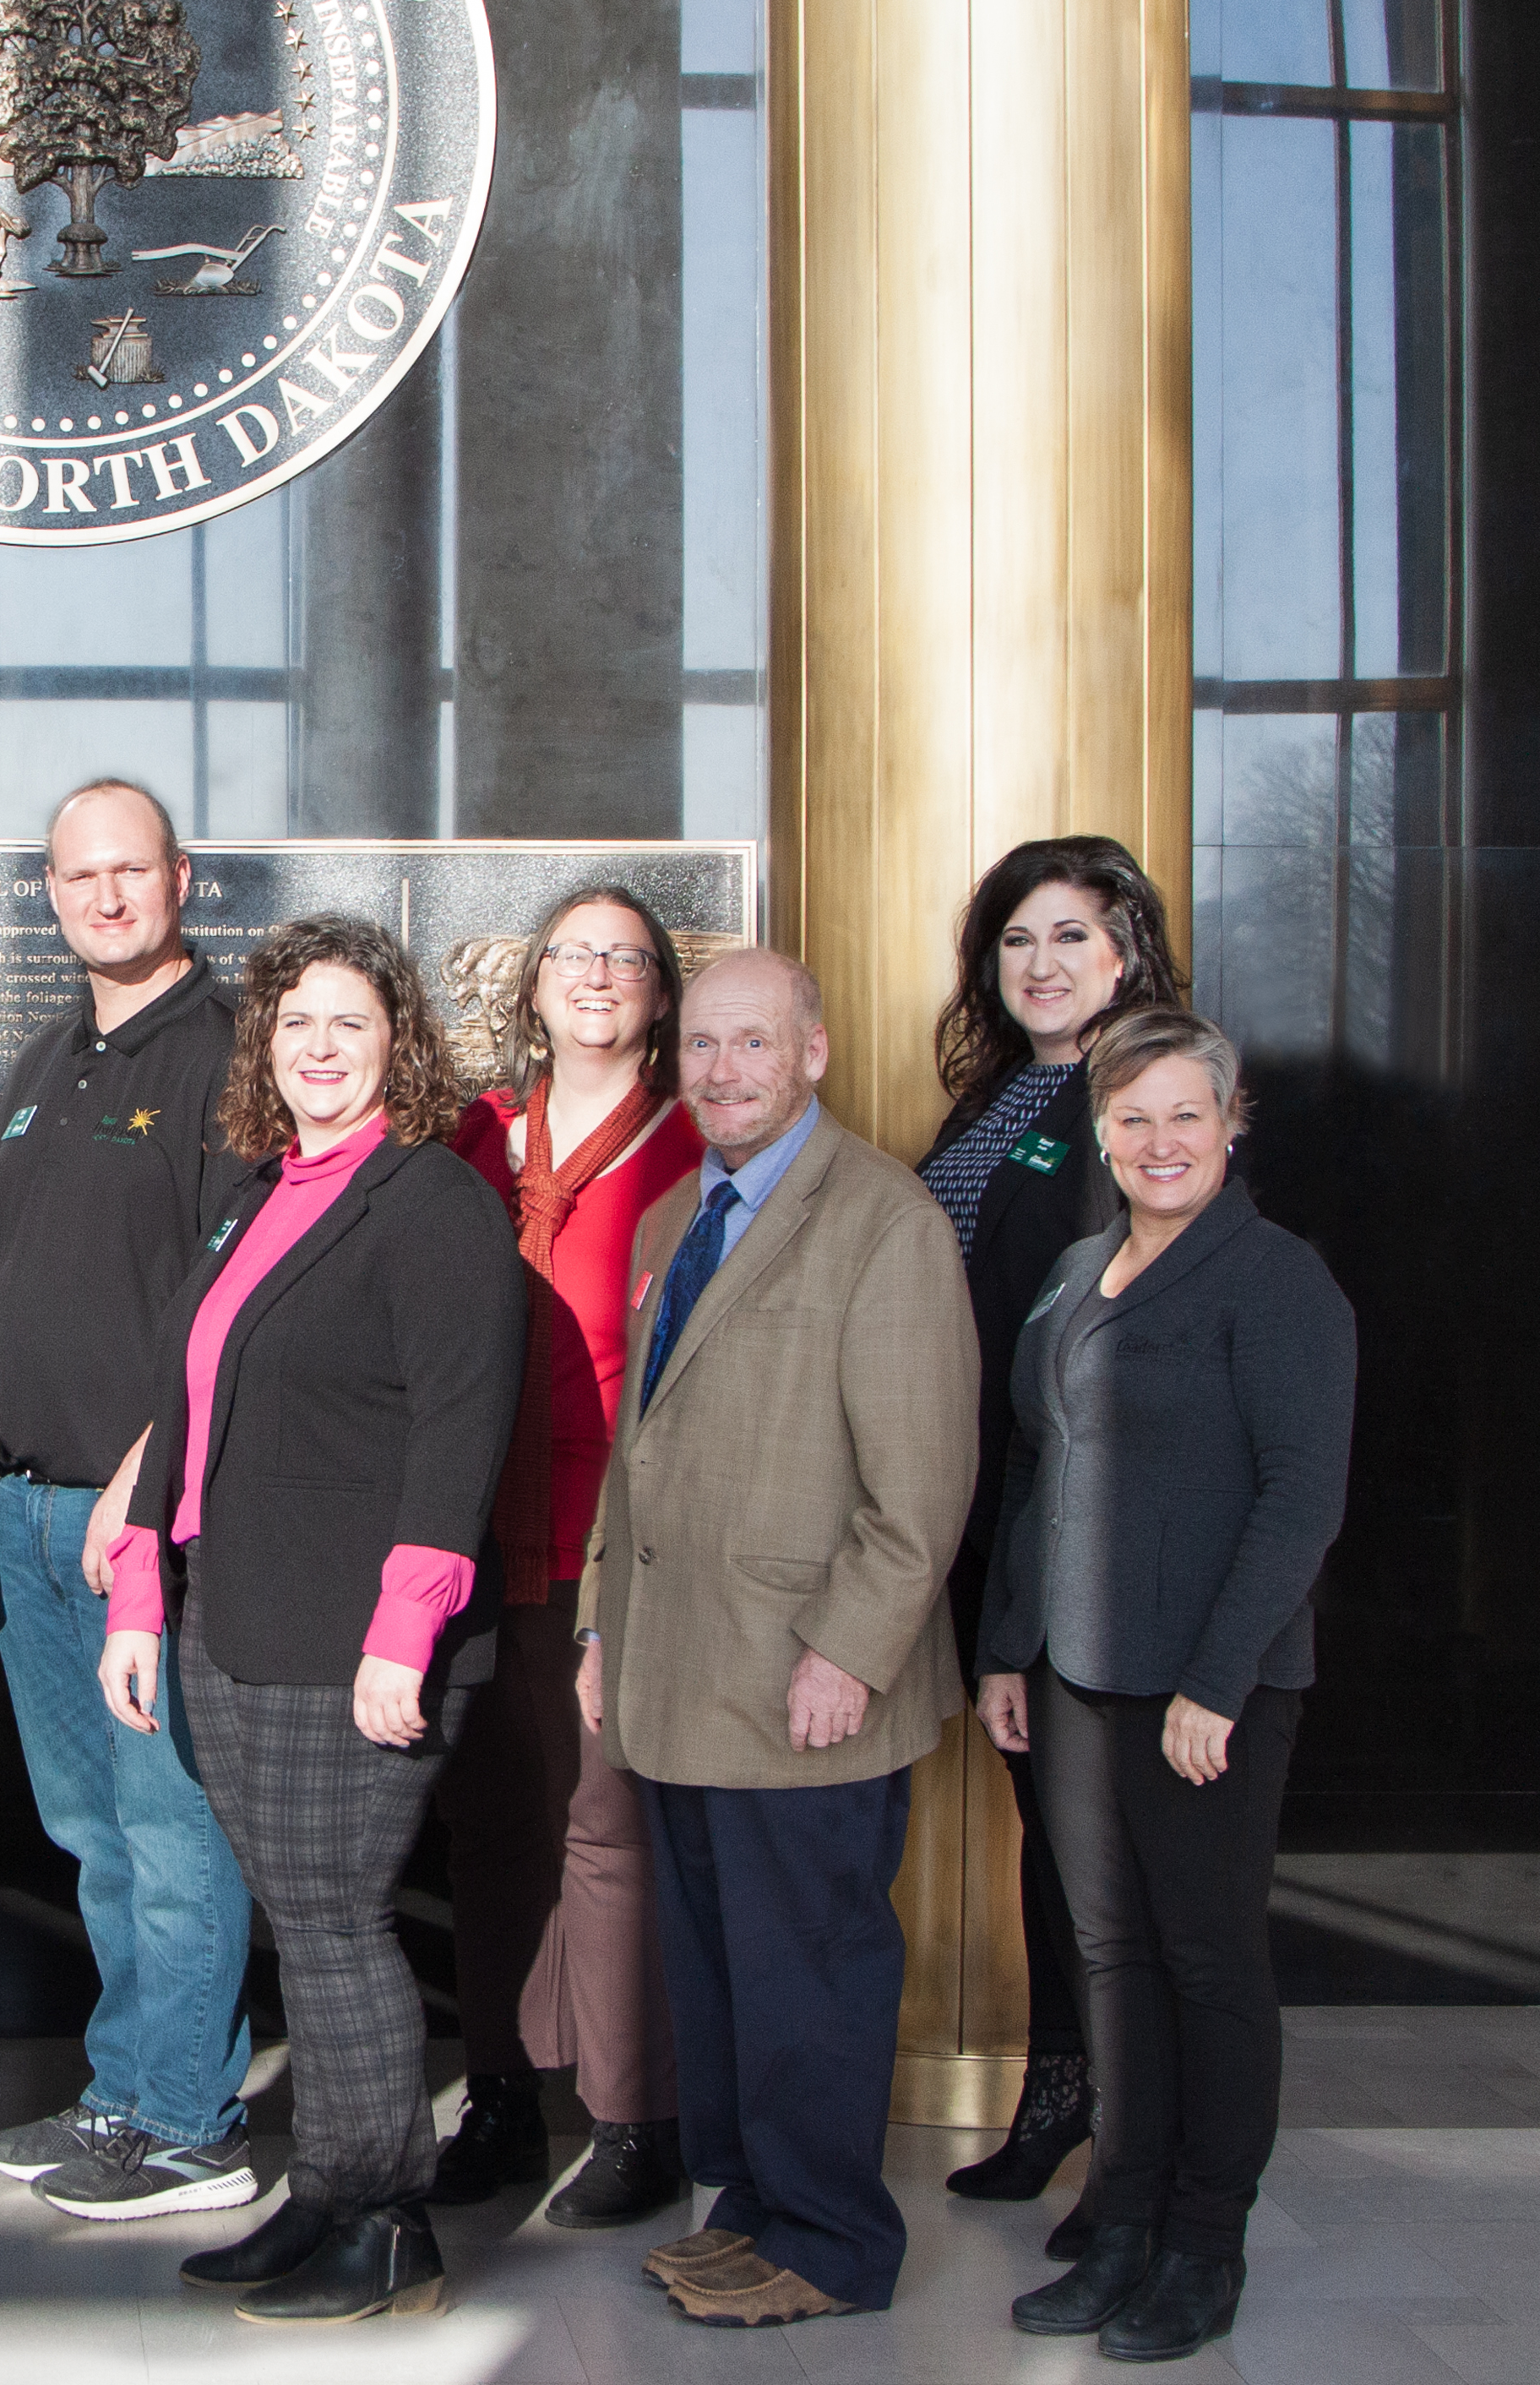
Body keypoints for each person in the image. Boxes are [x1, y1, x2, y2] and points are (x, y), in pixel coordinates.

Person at [97, 916, 529, 2322]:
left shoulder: (432, 1204)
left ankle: (387, 2219)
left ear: (398, 1044)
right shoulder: (257, 1197)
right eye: (294, 1025)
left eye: (350, 1022)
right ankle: (330, 2192)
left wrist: (407, 1632)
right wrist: (140, 1595)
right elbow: (185, 1416)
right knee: (307, 1918)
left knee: (337, 1923)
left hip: (355, 1640)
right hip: (238, 1621)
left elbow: (462, 1435)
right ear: (263, 1050)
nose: (319, 1049)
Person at [579, 948, 974, 2329]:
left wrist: (851, 1651)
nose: (723, 1070)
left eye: (754, 1044)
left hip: (802, 1673)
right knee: (723, 1970)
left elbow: (922, 1484)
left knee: (809, 1971)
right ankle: (749, 2207)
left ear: (813, 1052)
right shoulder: (678, 1213)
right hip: (679, 1666)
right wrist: (594, 1620)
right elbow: (640, 1445)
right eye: (702, 1046)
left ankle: (832, 2243)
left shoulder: (882, 1220)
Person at [981, 1006, 1352, 2365]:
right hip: (1075, 1676)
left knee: (1206, 1961)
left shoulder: (1277, 1281)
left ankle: (1206, 2241)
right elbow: (1036, 1466)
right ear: (1102, 1134)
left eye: (1186, 1114)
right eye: (1132, 1118)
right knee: (1109, 1960)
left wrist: (1218, 1680)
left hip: (1208, 1693)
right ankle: (1121, 2216)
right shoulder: (1079, 1270)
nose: (1159, 1141)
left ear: (1232, 1125)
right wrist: (1005, 1648)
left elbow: (1301, 1500)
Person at [0, 778, 260, 2222]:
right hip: (28, 1513)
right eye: (78, 876)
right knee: (92, 1829)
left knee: (171, 1826)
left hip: (133, 1516)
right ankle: (126, 2089)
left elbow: (231, 1295)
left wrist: (145, 1483)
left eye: (129, 872)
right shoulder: (44, 1058)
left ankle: (193, 2123)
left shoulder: (226, 1053)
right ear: (51, 891)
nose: (105, 896)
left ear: (182, 880)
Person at [916, 836, 1190, 2230]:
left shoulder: (1131, 1101)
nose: (1042, 965)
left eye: (1073, 937)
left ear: (1128, 952)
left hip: (1085, 1532)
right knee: (1049, 1829)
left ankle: (1134, 2149)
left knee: (1103, 1849)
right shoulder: (1001, 1095)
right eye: (1019, 941)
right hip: (987, 1517)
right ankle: (1062, 2101)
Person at [428, 886, 705, 2226]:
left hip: (618, 1556)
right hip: (478, 1543)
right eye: (573, 955)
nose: (598, 975)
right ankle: (499, 2096)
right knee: (489, 1831)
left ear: (661, 992)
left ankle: (633, 2115)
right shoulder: (477, 1135)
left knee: (605, 1828)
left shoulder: (698, 1148)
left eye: (627, 958)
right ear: (531, 987)